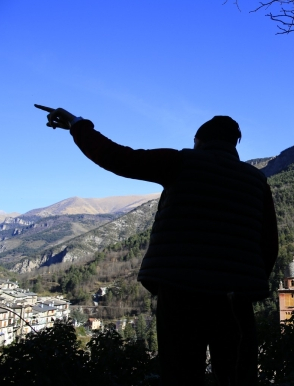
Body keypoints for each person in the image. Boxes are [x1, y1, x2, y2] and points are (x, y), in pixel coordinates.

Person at [35, 104, 279, 385]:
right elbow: (269, 245)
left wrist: (77, 125)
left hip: (180, 292)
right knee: (236, 375)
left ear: (199, 140)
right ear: (234, 144)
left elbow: (117, 158)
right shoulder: (257, 181)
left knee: (181, 374)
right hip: (235, 299)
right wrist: (247, 283)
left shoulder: (181, 162)